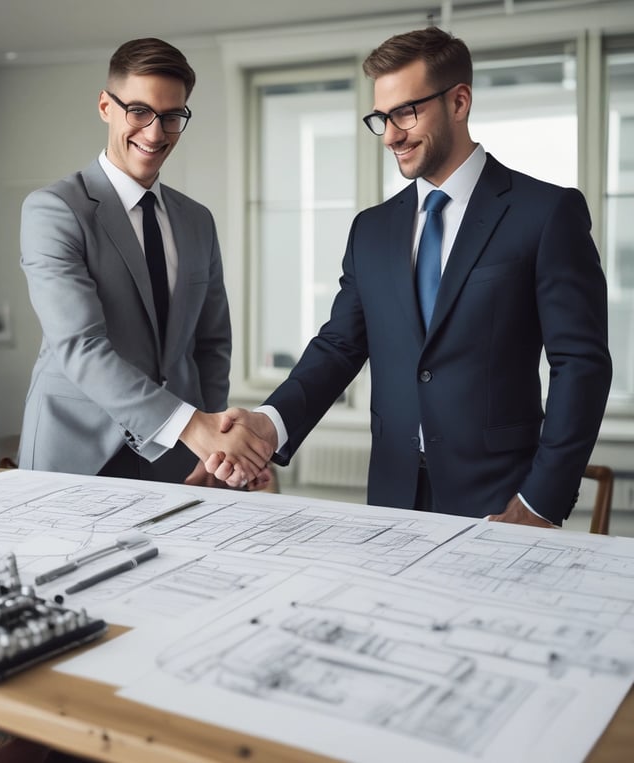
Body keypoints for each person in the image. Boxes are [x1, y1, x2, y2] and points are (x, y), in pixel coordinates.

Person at [208, 26, 612, 527]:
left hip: (500, 499)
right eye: (381, 118)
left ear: (459, 101)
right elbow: (339, 346)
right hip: (392, 496)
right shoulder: (372, 230)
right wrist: (269, 424)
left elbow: (581, 364)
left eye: (405, 112)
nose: (391, 135)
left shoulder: (545, 213)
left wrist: (540, 503)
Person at [17, 37, 272, 486]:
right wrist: (194, 428)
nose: (155, 134)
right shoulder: (54, 210)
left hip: (177, 460)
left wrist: (214, 448)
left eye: (171, 116)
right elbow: (80, 346)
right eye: (138, 111)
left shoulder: (197, 220)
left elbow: (211, 344)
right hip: (75, 451)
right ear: (105, 106)